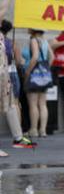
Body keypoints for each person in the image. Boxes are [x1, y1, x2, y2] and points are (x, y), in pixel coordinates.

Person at [1, 20, 34, 148]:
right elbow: (19, 61)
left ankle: (18, 136)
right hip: (12, 73)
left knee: (12, 105)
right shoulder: (11, 42)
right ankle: (19, 135)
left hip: (5, 75)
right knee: (14, 104)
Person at [23, 29, 54, 138]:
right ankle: (43, 130)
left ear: (33, 29)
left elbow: (35, 56)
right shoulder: (45, 41)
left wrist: (28, 71)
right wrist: (45, 68)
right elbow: (52, 57)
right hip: (44, 75)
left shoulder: (33, 40)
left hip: (34, 74)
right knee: (42, 103)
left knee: (33, 104)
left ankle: (33, 129)